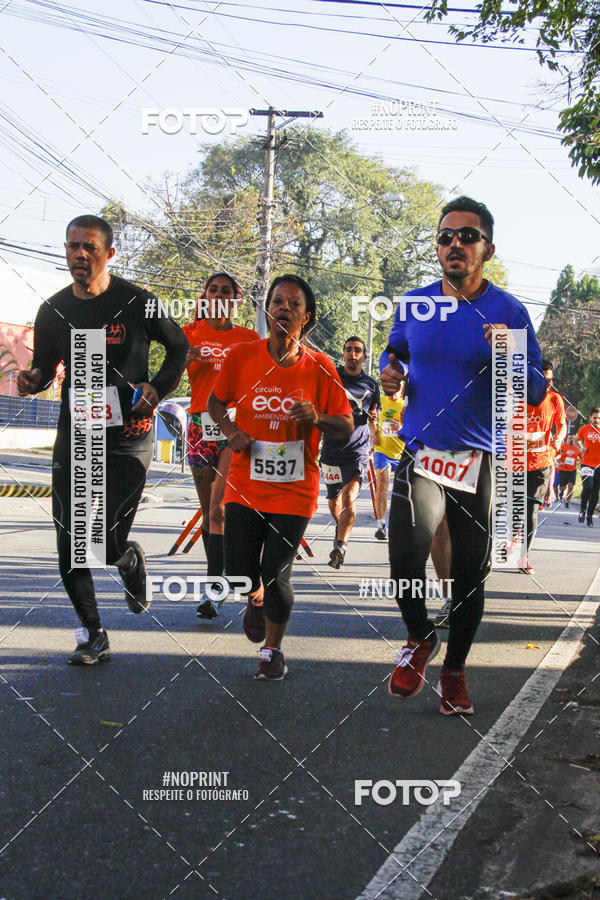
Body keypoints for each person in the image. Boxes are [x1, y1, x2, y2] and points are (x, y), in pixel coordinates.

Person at [380, 195, 546, 715]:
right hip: (421, 451)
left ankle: (454, 673)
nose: (456, 245)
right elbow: (396, 351)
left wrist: (509, 355)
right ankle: (419, 638)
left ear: (487, 249)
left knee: (470, 573)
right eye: (447, 236)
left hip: (478, 458)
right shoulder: (416, 303)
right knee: (405, 556)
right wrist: (391, 372)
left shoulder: (508, 311)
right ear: (438, 248)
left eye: (468, 237)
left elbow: (538, 390)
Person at [17, 215, 188, 664]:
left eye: (89, 247)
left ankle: (128, 559)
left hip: (129, 437)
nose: (79, 254)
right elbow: (44, 367)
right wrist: (32, 379)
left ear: (109, 253)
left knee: (106, 542)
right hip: (76, 435)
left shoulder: (136, 302)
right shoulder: (53, 309)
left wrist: (158, 387)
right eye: (72, 246)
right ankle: (93, 634)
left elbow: (180, 346)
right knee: (70, 540)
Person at [207, 274, 353, 680]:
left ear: (306, 317)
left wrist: (317, 417)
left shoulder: (321, 366)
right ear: (268, 310)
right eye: (277, 302)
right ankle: (254, 597)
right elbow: (215, 402)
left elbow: (345, 423)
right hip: (246, 483)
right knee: (240, 570)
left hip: (295, 488)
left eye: (293, 304)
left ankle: (272, 650)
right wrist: (232, 432)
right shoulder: (241, 356)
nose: (283, 308)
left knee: (277, 570)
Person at [181, 273, 259, 619]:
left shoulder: (248, 338)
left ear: (235, 299)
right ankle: (220, 578)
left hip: (233, 424)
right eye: (212, 289)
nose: (218, 294)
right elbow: (173, 371)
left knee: (221, 509)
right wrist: (184, 358)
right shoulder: (190, 332)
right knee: (209, 512)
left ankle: (215, 590)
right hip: (199, 423)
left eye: (225, 291)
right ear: (205, 294)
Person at [320, 337, 380, 569]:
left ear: (364, 356)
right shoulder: (330, 377)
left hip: (357, 450)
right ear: (343, 354)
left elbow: (374, 415)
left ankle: (340, 547)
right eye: (349, 350)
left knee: (349, 499)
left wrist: (375, 436)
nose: (353, 354)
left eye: (357, 350)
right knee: (334, 501)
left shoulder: (372, 385)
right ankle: (341, 526)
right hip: (331, 450)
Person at [518, 360, 566, 574]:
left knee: (530, 511)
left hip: (541, 462)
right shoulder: (515, 396)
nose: (548, 384)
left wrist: (559, 438)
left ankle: (523, 556)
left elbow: (562, 425)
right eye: (544, 380)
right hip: (514, 461)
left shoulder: (555, 399)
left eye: (551, 380)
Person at [373, 388, 405, 541]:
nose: (393, 390)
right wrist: (373, 432)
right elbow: (371, 418)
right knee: (382, 485)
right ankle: (381, 525)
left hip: (402, 453)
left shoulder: (406, 404)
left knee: (403, 491)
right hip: (382, 451)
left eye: (397, 386)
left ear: (402, 386)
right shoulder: (380, 401)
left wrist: (401, 429)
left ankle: (402, 526)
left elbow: (414, 427)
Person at [577, 408, 600, 526]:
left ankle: (589, 516)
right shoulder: (584, 429)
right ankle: (582, 509)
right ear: (590, 417)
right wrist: (581, 449)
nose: (597, 420)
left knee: (596, 492)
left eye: (599, 418)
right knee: (588, 486)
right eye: (595, 418)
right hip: (587, 463)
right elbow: (576, 440)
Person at [556, 434, 580, 508]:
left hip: (572, 470)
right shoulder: (563, 446)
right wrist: (560, 462)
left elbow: (582, 456)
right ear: (567, 439)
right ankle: (561, 492)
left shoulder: (577, 447)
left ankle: (567, 502)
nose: (571, 440)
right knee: (562, 486)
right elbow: (557, 456)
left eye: (573, 438)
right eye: (570, 438)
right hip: (563, 469)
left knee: (570, 486)